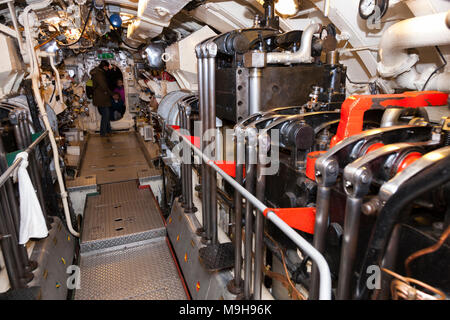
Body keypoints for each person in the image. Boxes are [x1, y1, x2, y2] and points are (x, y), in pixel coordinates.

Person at [90, 60, 113, 136]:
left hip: (99, 96)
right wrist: (111, 94)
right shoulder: (99, 74)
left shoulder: (98, 72)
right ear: (104, 67)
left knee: (106, 114)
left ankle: (109, 130)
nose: (108, 69)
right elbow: (103, 86)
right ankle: (103, 132)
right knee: (106, 115)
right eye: (107, 67)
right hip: (102, 97)